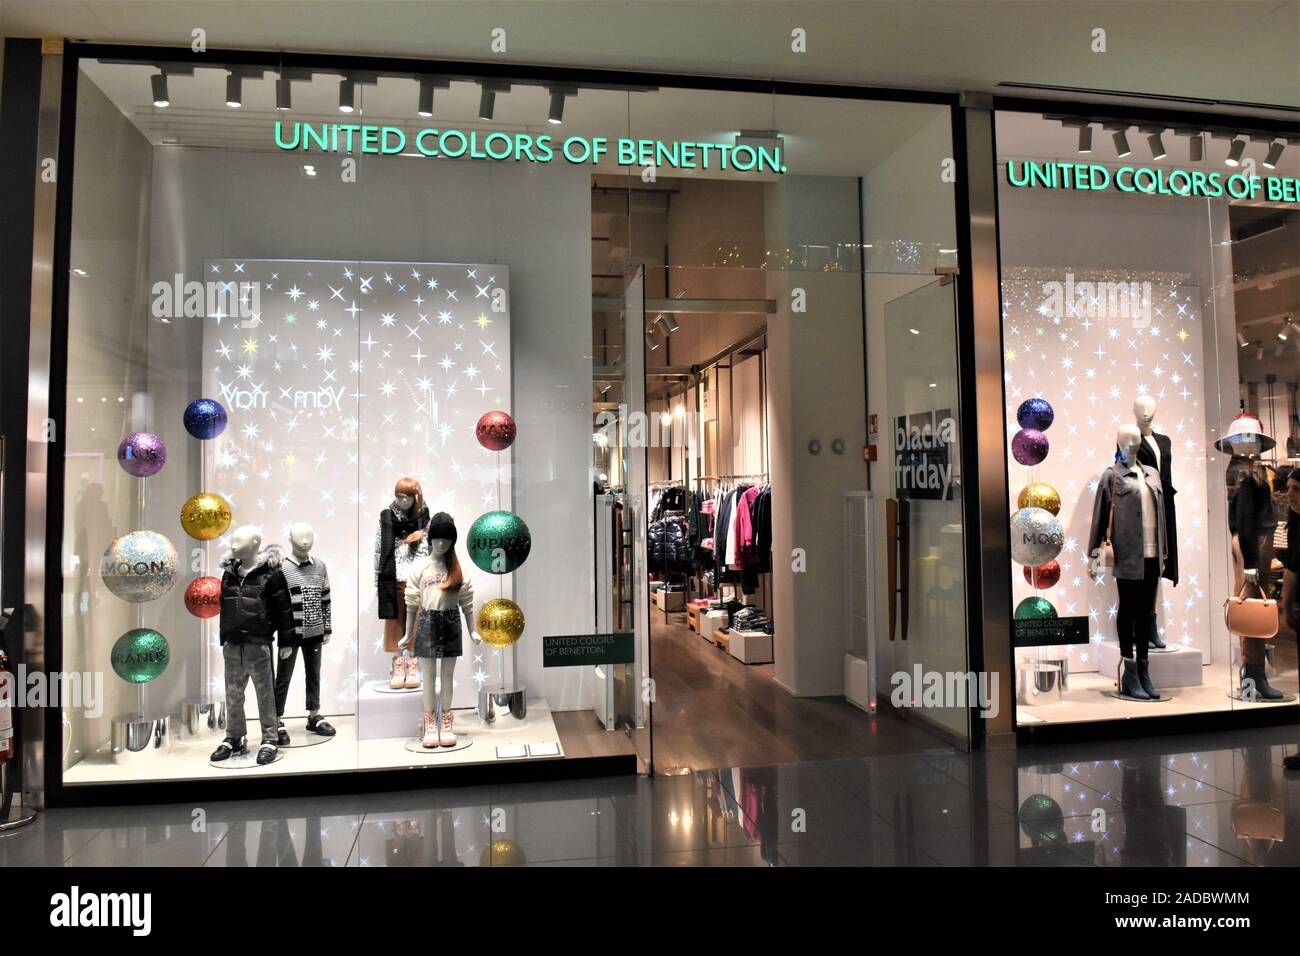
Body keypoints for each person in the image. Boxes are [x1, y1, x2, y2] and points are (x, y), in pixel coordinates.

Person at [1279, 469, 1300, 772]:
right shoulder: (1294, 524)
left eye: (1297, 489)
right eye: (1290, 489)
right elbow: (1292, 567)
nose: (1291, 494)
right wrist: (1286, 605)